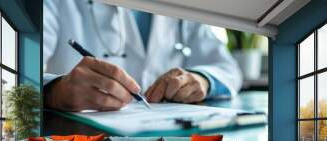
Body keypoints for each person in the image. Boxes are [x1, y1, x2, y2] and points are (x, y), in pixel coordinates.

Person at [44, 0, 242, 112]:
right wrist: (54, 91)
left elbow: (227, 68)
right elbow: (17, 73)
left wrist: (202, 79)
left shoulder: (185, 6)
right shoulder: (55, 3)